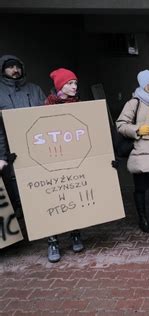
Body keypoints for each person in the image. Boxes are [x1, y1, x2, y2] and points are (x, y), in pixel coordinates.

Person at [116, 70, 149, 233]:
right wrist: (138, 129)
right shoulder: (134, 103)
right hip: (140, 153)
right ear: (145, 85)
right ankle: (143, 219)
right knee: (141, 188)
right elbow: (121, 124)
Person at [43, 68, 84, 262]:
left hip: (75, 160)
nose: (74, 87)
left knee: (73, 197)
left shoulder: (80, 106)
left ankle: (75, 233)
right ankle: (53, 241)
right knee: (53, 200)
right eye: (69, 83)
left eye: (75, 83)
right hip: (53, 161)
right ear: (60, 86)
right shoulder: (47, 107)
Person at [0, 55, 46, 218]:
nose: (15, 70)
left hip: (37, 144)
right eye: (10, 67)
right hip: (11, 148)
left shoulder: (35, 89)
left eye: (17, 66)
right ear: (3, 69)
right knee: (16, 184)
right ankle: (24, 214)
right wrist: (2, 155)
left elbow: (46, 116)